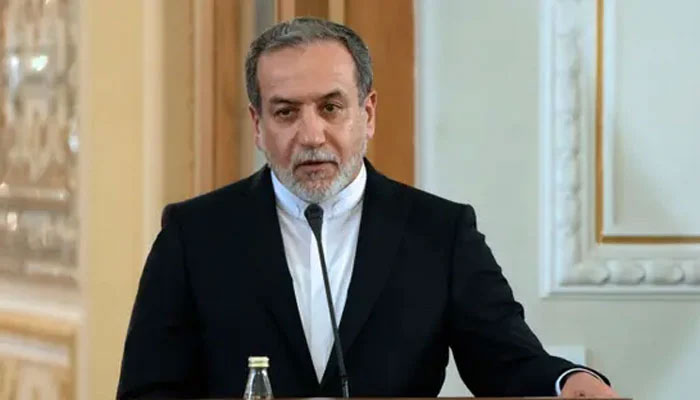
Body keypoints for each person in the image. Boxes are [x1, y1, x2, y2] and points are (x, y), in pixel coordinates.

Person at [117, 17, 618, 399]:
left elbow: (506, 360)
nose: (311, 135)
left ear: (368, 113)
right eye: (286, 112)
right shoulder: (194, 235)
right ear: (257, 124)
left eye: (331, 107)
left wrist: (567, 381)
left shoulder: (440, 232)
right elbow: (148, 389)